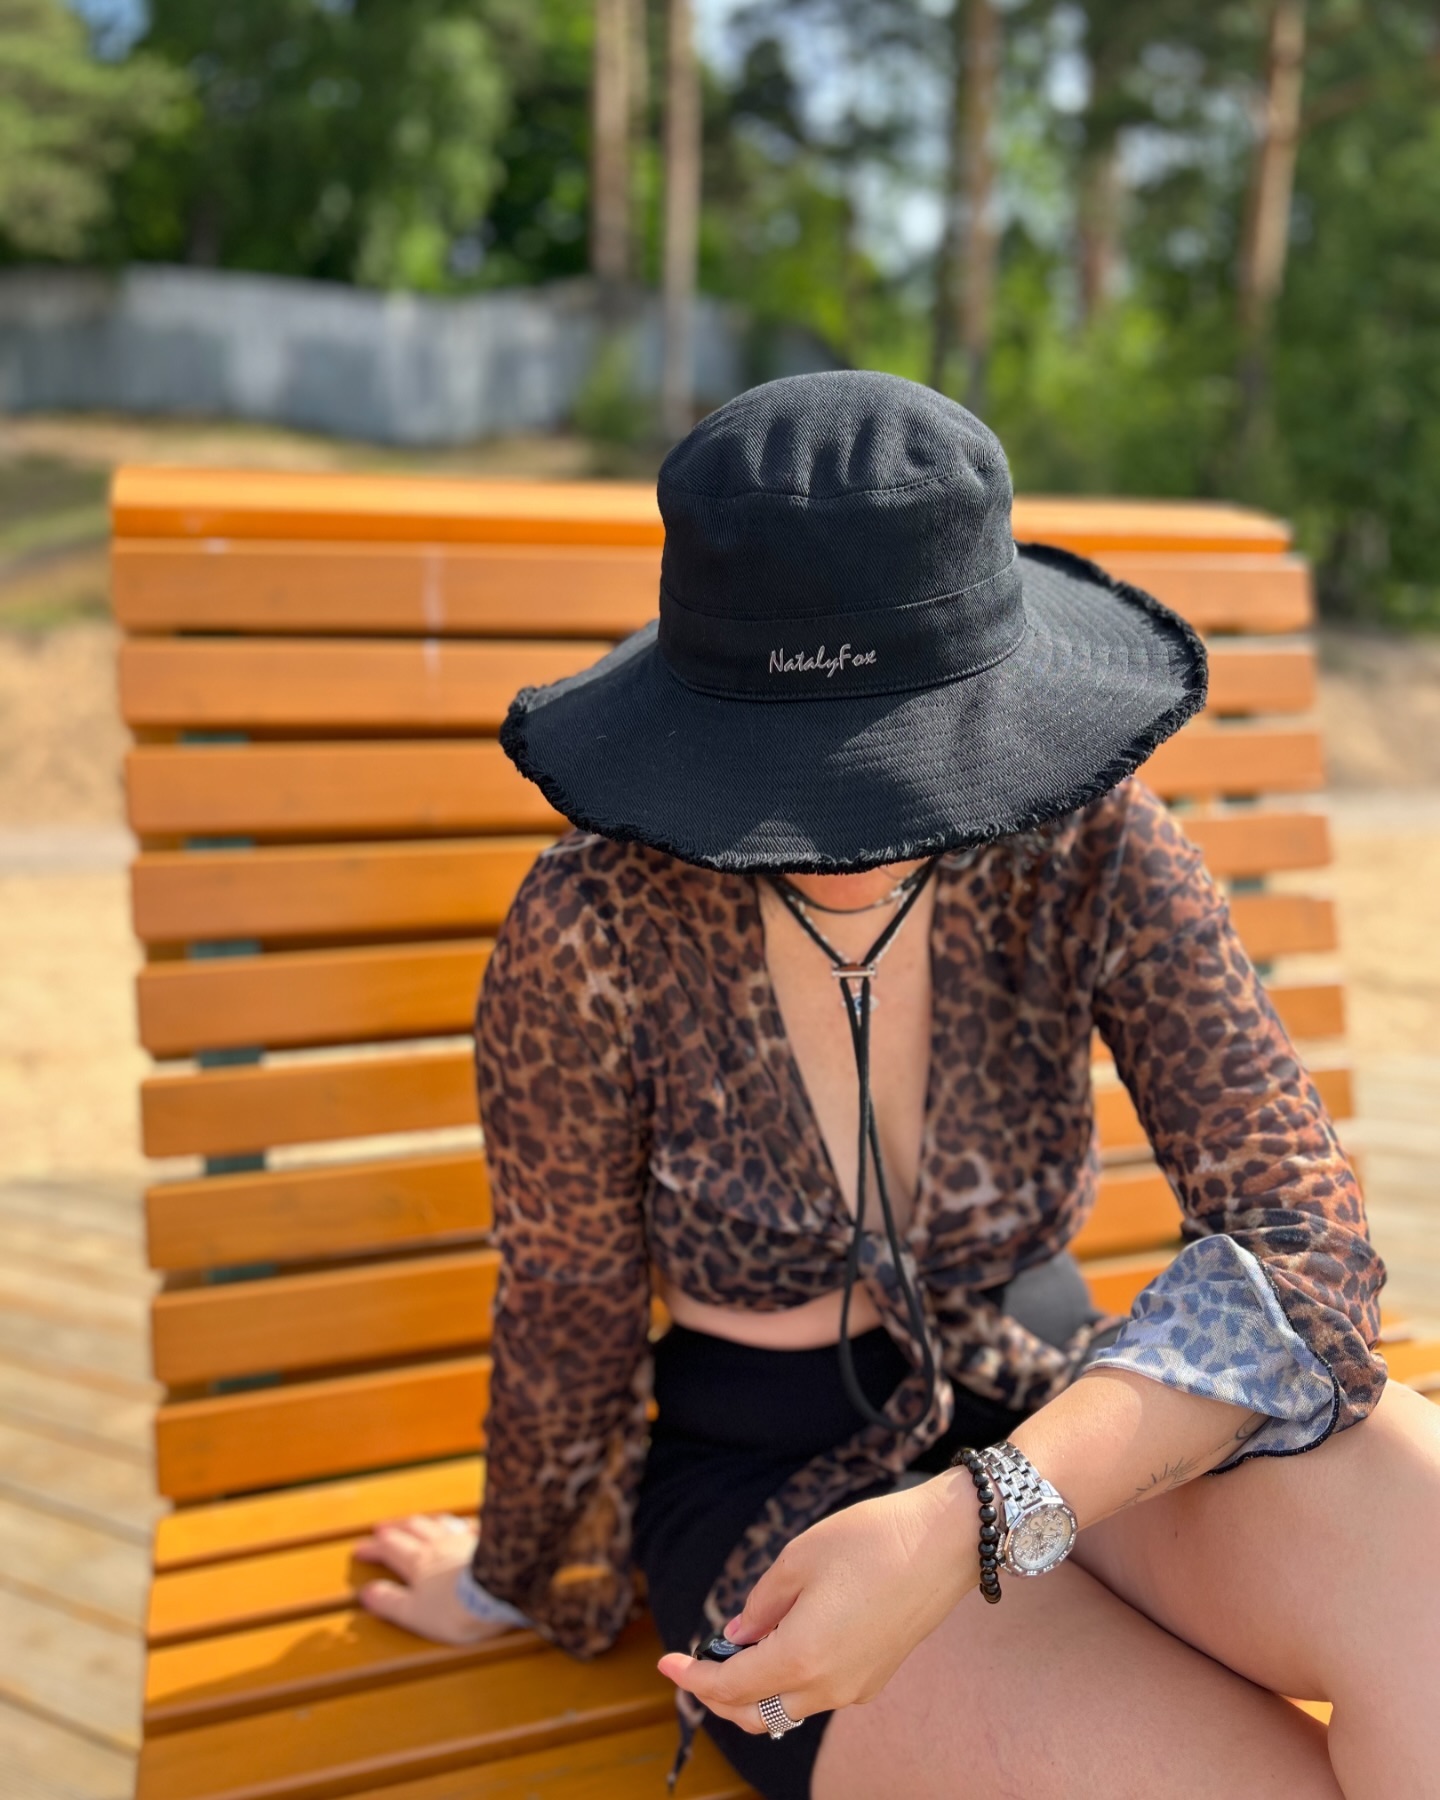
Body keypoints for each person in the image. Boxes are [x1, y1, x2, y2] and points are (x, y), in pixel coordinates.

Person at [354, 373, 1440, 1799]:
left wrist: (979, 1514)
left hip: (1065, 1409)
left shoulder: (1092, 844)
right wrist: (513, 1573)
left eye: (899, 754)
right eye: (796, 764)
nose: (851, 822)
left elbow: (1300, 1246)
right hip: (773, 1491)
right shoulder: (593, 923)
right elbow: (571, 1302)